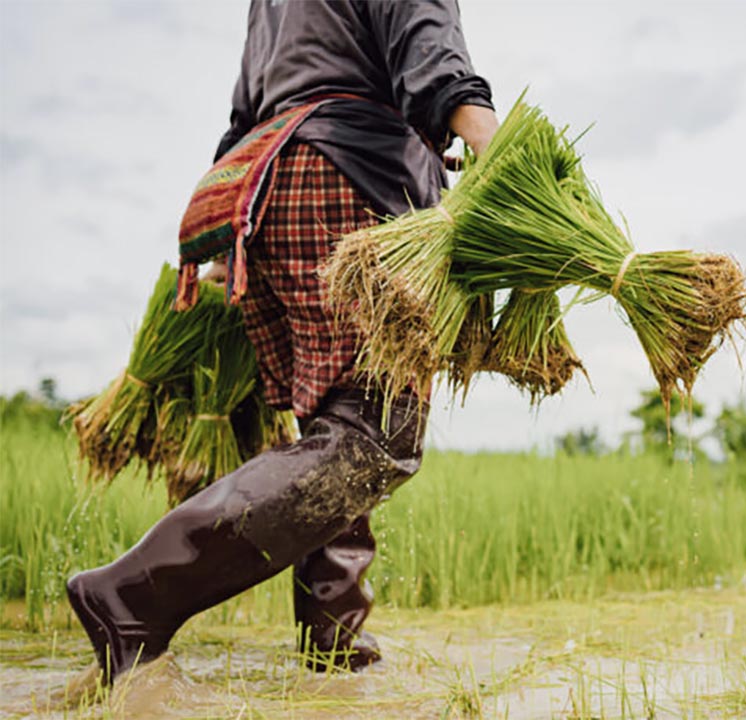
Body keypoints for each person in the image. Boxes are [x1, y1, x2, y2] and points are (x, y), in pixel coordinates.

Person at [66, 0, 498, 683]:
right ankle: (130, 595)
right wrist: (497, 151)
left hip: (264, 193)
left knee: (334, 429)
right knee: (374, 435)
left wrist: (221, 254)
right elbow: (431, 52)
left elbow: (248, 110)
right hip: (345, 182)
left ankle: (334, 640)